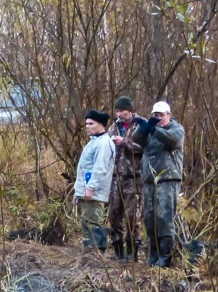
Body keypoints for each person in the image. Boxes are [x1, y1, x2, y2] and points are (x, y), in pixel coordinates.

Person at [134, 100, 184, 267]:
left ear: (169, 115)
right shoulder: (150, 131)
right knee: (150, 219)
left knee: (164, 218)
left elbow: (173, 141)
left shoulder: (176, 129)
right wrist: (144, 127)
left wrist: (155, 129)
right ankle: (154, 255)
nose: (158, 118)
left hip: (167, 180)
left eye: (161, 115)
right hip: (149, 181)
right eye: (155, 115)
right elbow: (136, 140)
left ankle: (166, 257)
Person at [108, 96, 146, 261]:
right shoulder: (114, 127)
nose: (119, 114)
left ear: (130, 110)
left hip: (134, 178)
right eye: (117, 111)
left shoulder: (141, 125)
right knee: (113, 215)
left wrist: (125, 142)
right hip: (116, 178)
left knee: (132, 217)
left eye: (122, 110)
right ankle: (118, 252)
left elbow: (146, 146)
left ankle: (132, 254)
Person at [73, 109, 116, 251]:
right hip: (86, 192)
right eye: (86, 124)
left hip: (94, 192)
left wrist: (90, 187)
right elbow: (85, 169)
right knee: (86, 224)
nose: (87, 126)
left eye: (91, 123)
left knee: (94, 224)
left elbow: (100, 168)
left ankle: (97, 255)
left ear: (100, 125)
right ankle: (90, 253)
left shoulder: (103, 143)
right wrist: (78, 192)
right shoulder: (94, 142)